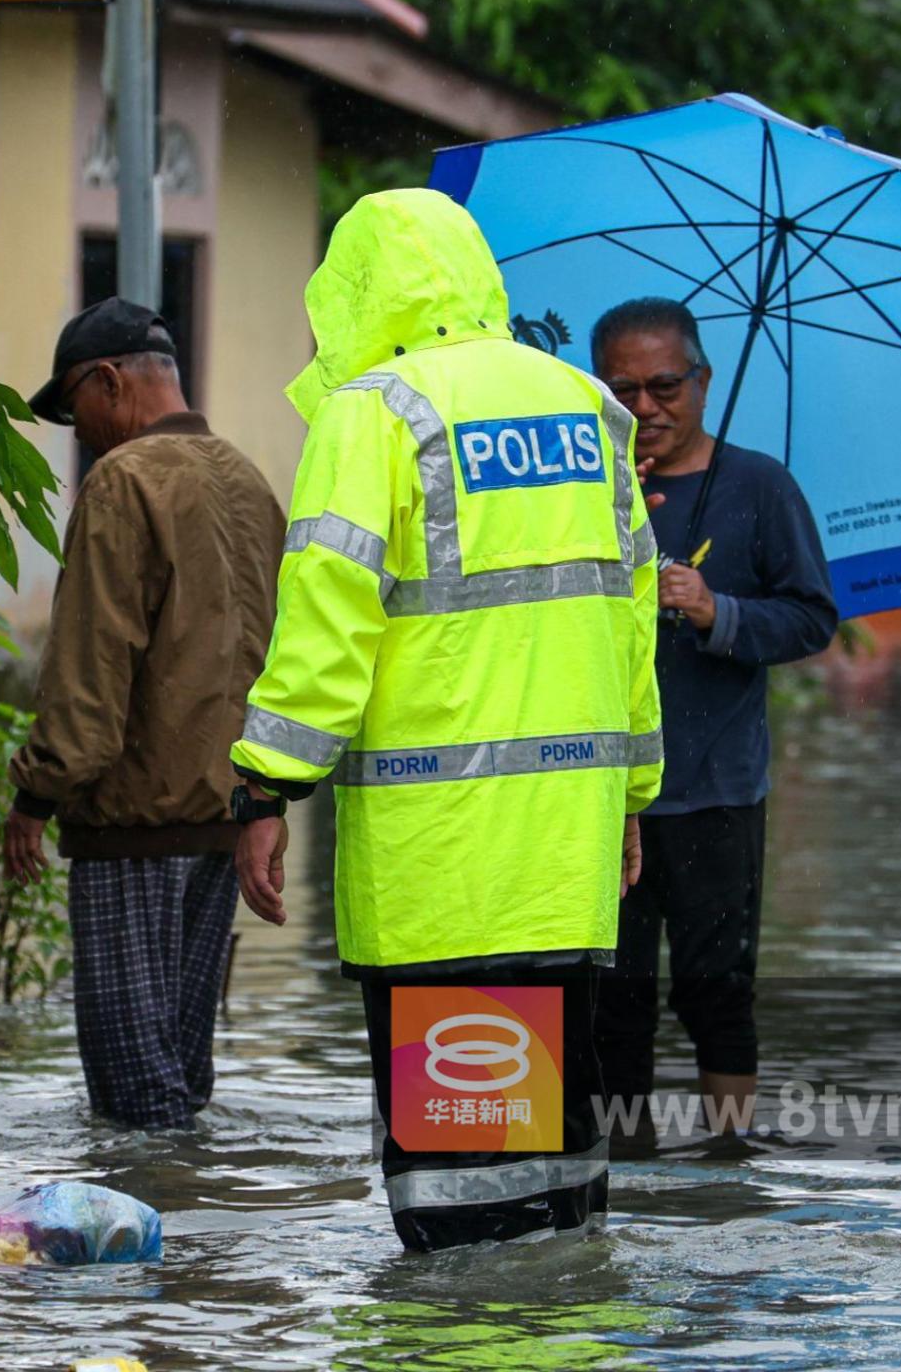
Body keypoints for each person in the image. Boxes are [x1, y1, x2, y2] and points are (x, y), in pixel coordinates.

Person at [226, 190, 662, 1252]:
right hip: (564, 852)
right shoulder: (592, 407)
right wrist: (632, 796)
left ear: (360, 292)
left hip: (444, 868)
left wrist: (267, 785)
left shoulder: (377, 410)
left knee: (464, 1201)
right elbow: (631, 621)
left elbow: (329, 615)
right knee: (558, 1167)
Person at [4, 297, 286, 1131]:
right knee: (181, 1082)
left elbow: (89, 675)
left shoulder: (123, 482)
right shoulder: (247, 479)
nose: (79, 429)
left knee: (134, 1098)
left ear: (108, 381)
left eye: (74, 407)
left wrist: (34, 797)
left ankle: (145, 1254)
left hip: (134, 826)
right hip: (225, 823)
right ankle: (197, 1249)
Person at [589, 297, 838, 1139]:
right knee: (611, 1000)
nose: (646, 408)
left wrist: (716, 610)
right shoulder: (587, 487)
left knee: (718, 990)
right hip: (604, 795)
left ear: (703, 379)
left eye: (665, 386)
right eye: (623, 390)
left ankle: (731, 1163)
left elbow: (810, 617)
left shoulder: (760, 487)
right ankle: (625, 1169)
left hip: (716, 790)